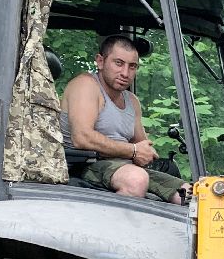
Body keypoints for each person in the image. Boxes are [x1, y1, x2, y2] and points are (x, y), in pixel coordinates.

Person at [61, 35, 190, 203]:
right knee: (136, 180)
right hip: (83, 164)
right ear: (100, 61)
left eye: (132, 66)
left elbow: (142, 144)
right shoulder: (86, 85)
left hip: (123, 166)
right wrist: (134, 151)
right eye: (118, 63)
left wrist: (146, 152)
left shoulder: (132, 101)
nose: (125, 73)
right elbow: (81, 138)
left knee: (191, 195)